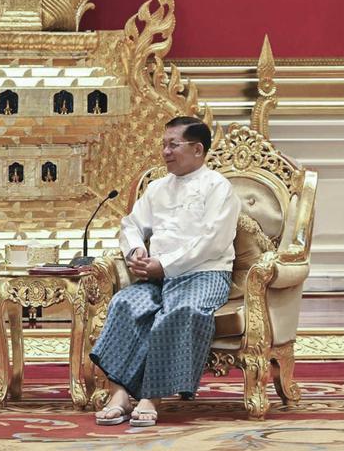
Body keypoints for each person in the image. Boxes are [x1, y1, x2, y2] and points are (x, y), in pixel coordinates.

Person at [90, 116, 240, 427]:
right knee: (125, 304)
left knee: (179, 311)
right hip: (157, 276)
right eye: (164, 145)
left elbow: (213, 241)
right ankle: (119, 394)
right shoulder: (158, 187)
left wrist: (166, 264)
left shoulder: (218, 188)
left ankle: (150, 396)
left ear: (197, 149)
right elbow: (130, 226)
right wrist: (136, 252)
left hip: (205, 274)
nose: (165, 152)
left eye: (173, 145)